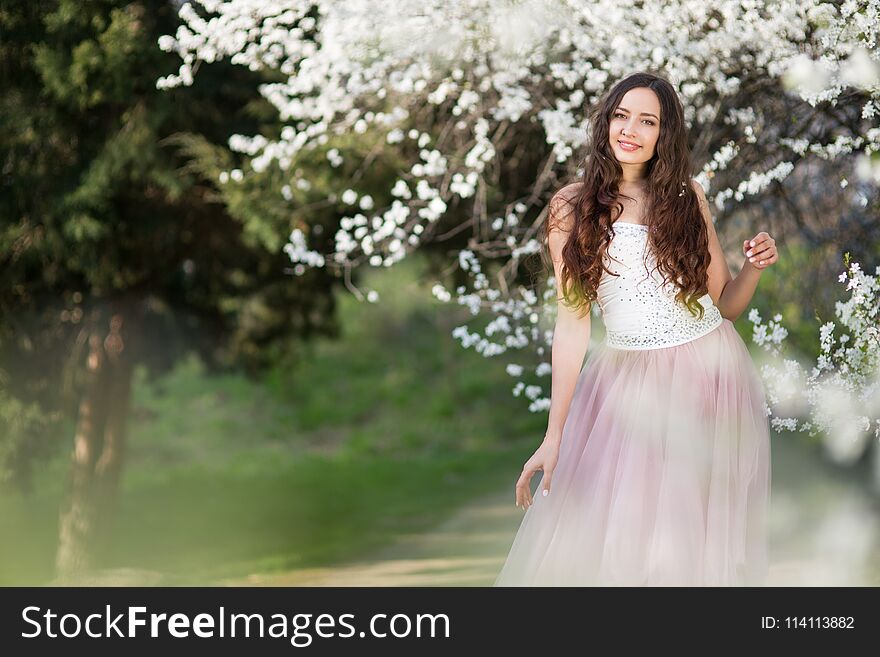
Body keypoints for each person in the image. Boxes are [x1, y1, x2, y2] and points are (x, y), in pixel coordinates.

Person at [494, 72, 776, 586]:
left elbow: (725, 305)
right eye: (622, 115)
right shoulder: (571, 206)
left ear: (663, 136)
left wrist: (754, 268)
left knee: (685, 544)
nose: (631, 129)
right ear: (606, 121)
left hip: (707, 374)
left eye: (648, 121)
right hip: (625, 383)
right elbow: (573, 321)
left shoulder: (687, 198)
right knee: (615, 540)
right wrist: (555, 435)